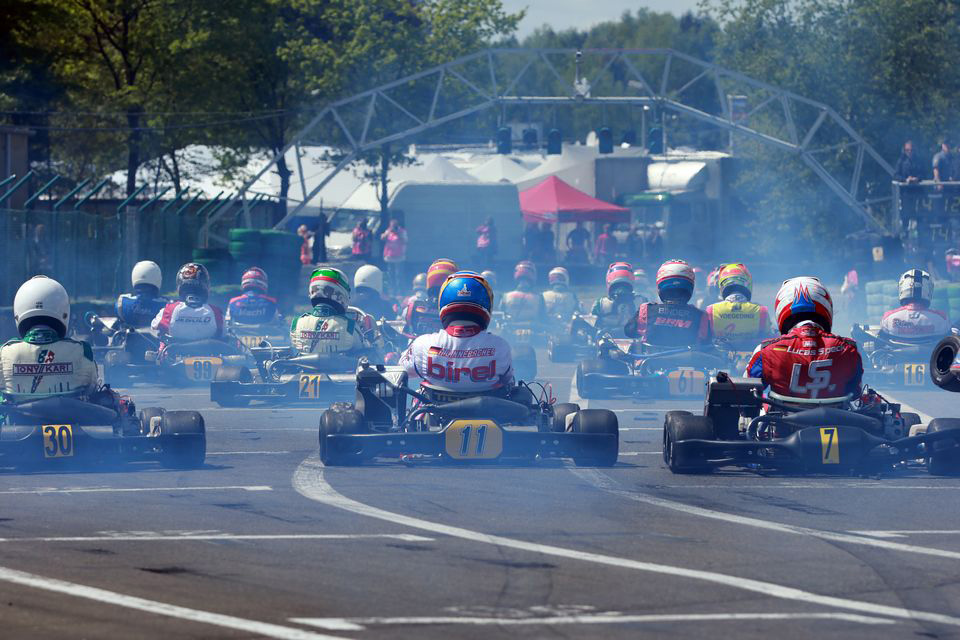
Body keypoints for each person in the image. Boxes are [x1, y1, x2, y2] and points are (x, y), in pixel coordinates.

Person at [747, 276, 863, 400]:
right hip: (835, 418)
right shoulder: (848, 349)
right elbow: (855, 393)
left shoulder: (766, 350)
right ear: (827, 308)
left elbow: (748, 394)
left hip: (782, 418)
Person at [400, 271, 513, 393]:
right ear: (486, 305)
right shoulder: (499, 346)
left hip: (433, 410)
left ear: (443, 302)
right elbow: (508, 382)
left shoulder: (423, 344)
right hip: (484, 411)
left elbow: (402, 370)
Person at [0, 276, 99, 402]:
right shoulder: (82, 351)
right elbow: (92, 388)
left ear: (18, 312)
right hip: (71, 417)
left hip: (18, 419)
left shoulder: (4, 353)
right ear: (64, 312)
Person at [290, 267, 378, 356]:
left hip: (304, 370)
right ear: (340, 293)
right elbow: (367, 352)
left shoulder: (296, 324)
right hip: (340, 369)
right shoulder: (349, 327)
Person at [625, 259, 711, 347]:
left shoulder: (646, 310)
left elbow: (629, 332)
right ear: (690, 286)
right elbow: (707, 343)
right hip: (688, 360)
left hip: (652, 360)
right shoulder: (700, 316)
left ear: (660, 285)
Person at [152, 263, 226, 343]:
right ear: (206, 287)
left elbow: (154, 327)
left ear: (180, 287)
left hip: (174, 354)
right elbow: (223, 334)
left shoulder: (169, 310)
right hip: (208, 354)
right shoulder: (216, 313)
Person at [705, 263, 772, 349]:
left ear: (722, 285)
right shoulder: (762, 311)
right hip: (753, 361)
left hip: (720, 360)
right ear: (748, 283)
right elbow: (769, 340)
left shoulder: (710, 310)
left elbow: (703, 342)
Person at [880, 269, 950, 340]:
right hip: (932, 351)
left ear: (902, 288)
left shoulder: (888, 318)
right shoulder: (941, 319)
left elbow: (882, 340)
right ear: (928, 289)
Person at [116, 260, 167, 329]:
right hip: (154, 339)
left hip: (131, 338)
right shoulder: (166, 305)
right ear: (157, 278)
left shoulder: (122, 302)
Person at [591, 262, 637, 333]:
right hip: (631, 340)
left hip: (609, 341)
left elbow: (592, 326)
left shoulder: (600, 303)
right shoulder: (641, 302)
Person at [379, 217, 407, 295]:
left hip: (399, 257)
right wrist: (388, 232)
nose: (393, 227)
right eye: (392, 225)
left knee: (399, 275)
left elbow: (405, 241)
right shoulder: (388, 231)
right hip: (390, 257)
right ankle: (392, 291)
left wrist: (398, 233)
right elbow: (382, 238)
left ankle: (400, 291)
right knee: (390, 275)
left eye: (394, 225)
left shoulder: (402, 231)